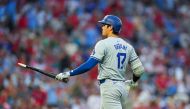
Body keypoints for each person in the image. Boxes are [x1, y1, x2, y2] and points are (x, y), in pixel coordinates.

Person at [55, 15, 144, 109]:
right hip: (122, 88)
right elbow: (139, 70)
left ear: (110, 27)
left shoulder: (103, 44)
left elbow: (88, 65)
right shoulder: (128, 46)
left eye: (104, 25)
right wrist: (133, 82)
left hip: (110, 87)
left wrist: (69, 73)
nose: (102, 27)